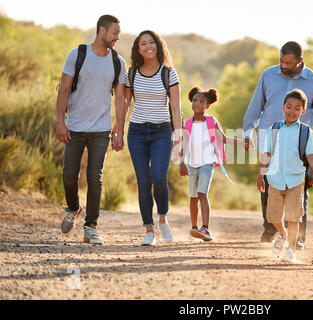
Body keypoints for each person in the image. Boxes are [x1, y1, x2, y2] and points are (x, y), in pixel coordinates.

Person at [243, 41, 313, 247]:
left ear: (300, 61)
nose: (283, 65)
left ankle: (297, 237)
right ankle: (271, 230)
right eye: (281, 60)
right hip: (271, 136)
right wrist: (247, 131)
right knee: (267, 183)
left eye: (288, 63)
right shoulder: (268, 75)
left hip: (300, 142)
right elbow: (256, 105)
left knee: (301, 188)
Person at [57, 15, 127, 245]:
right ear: (102, 31)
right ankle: (73, 208)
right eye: (115, 33)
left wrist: (119, 130)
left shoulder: (118, 62)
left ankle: (91, 227)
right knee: (69, 175)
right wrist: (60, 121)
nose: (118, 37)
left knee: (94, 178)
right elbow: (64, 89)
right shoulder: (78, 54)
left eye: (118, 33)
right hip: (75, 126)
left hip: (100, 129)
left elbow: (120, 99)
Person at [113, 30, 183, 246]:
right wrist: (119, 132)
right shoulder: (131, 74)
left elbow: (175, 108)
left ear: (158, 46)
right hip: (137, 132)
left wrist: (179, 140)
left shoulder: (169, 73)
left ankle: (163, 219)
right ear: (138, 49)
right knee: (143, 181)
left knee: (158, 177)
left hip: (162, 131)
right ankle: (149, 231)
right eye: (143, 43)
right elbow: (123, 105)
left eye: (151, 42)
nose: (148, 46)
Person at [257, 89, 313, 263]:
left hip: (296, 179)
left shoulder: (306, 132)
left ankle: (291, 250)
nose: (292, 111)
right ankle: (282, 235)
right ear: (283, 107)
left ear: (303, 111)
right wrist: (261, 175)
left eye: (297, 108)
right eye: (289, 106)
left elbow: (311, 156)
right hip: (274, 178)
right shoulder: (274, 128)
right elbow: (267, 153)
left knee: (293, 216)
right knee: (272, 216)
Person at [179, 87, 244, 241]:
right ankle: (195, 229)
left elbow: (224, 139)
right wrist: (181, 163)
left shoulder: (211, 121)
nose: (197, 104)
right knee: (193, 197)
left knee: (202, 194)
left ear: (207, 105)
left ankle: (206, 229)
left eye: (201, 101)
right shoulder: (187, 123)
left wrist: (242, 143)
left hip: (207, 163)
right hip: (192, 164)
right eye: (195, 100)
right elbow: (183, 144)